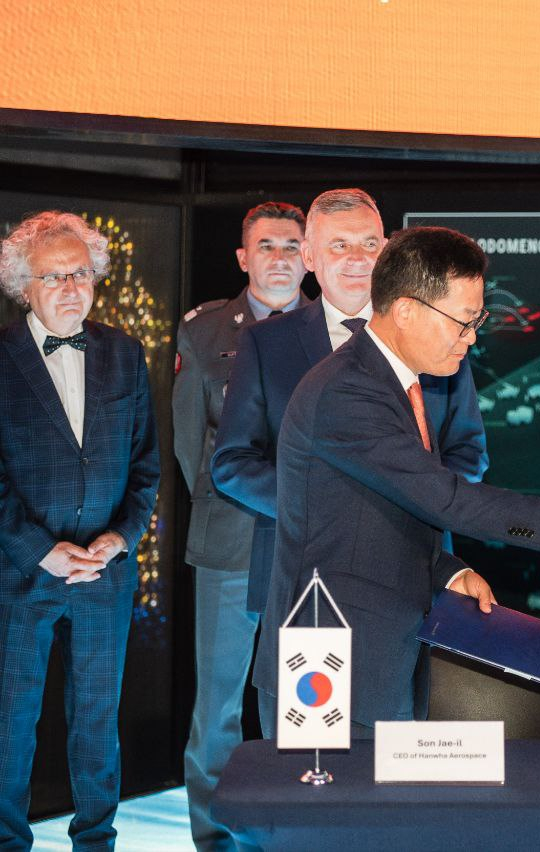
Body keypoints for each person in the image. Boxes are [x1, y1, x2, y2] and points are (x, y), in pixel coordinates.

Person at [253, 226, 540, 733]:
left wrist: (446, 571)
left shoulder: (390, 383)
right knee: (328, 810)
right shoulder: (347, 392)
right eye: (463, 322)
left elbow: (377, 516)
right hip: (329, 660)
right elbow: (442, 498)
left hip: (376, 654)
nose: (471, 338)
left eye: (477, 321)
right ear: (405, 311)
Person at [211, 189, 488, 735]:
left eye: (368, 243)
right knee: (313, 769)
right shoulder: (266, 344)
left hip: (424, 579)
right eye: (339, 246)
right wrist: (322, 499)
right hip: (311, 586)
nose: (358, 258)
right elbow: (232, 463)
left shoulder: (436, 333)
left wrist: (416, 497)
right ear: (309, 257)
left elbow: (470, 454)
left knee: (407, 761)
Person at [0, 212, 160, 848]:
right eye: (54, 276)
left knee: (96, 721)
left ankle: (97, 841)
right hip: (18, 575)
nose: (71, 287)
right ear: (24, 285)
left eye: (81, 273)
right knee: (11, 724)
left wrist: (121, 537)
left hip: (105, 574)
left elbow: (146, 464)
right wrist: (41, 552)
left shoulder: (125, 351)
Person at [172, 201, 307, 851]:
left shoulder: (337, 326)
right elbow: (188, 448)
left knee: (303, 704)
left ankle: (291, 832)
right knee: (220, 707)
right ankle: (216, 841)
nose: (279, 259)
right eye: (267, 246)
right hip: (229, 538)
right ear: (242, 257)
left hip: (311, 545)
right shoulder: (203, 332)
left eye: (291, 245)